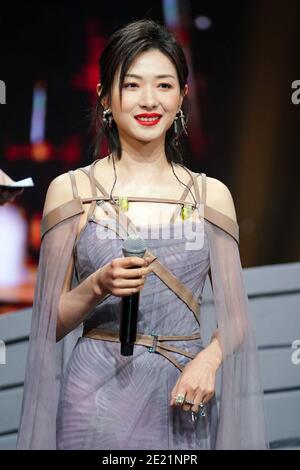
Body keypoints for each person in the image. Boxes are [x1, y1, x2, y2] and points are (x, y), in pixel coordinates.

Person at [17, 19, 269, 450]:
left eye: (164, 85)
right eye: (132, 85)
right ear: (105, 97)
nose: (149, 100)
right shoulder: (73, 191)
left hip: (183, 398)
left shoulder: (212, 196)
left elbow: (236, 319)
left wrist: (210, 359)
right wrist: (97, 285)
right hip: (93, 399)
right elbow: (48, 324)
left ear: (183, 96)